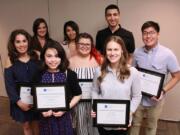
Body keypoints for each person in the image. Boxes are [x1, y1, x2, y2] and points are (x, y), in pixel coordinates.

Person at [130, 21, 180, 135]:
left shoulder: (168, 54)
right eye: (145, 33)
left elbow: (177, 76)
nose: (148, 36)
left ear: (158, 34)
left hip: (156, 101)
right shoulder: (137, 52)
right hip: (138, 98)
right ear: (142, 35)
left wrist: (163, 91)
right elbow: (132, 71)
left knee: (151, 127)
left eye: (151, 32)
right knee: (135, 124)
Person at [91, 36, 142, 135]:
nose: (112, 53)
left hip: (122, 121)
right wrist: (95, 107)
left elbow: (137, 96)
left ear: (122, 50)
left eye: (116, 49)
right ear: (105, 52)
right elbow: (94, 90)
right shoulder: (99, 71)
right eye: (109, 49)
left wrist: (129, 112)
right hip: (103, 119)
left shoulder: (133, 72)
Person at [36, 41, 82, 135]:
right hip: (45, 121)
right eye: (49, 56)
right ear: (43, 57)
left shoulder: (69, 74)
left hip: (63, 119)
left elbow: (78, 94)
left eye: (57, 56)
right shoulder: (38, 75)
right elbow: (35, 96)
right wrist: (42, 111)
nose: (53, 60)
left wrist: (66, 108)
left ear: (61, 57)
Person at [4, 29, 39, 135]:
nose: (21, 44)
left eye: (24, 41)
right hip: (20, 100)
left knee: (37, 124)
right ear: (13, 44)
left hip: (36, 97)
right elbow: (9, 84)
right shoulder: (10, 59)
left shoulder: (36, 55)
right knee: (27, 125)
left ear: (28, 41)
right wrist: (18, 102)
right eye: (18, 41)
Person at [69, 33, 102, 135]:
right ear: (77, 44)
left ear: (92, 45)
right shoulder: (70, 62)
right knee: (81, 130)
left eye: (87, 44)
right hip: (78, 104)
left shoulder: (99, 60)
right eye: (81, 44)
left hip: (95, 102)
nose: (85, 46)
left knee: (95, 129)